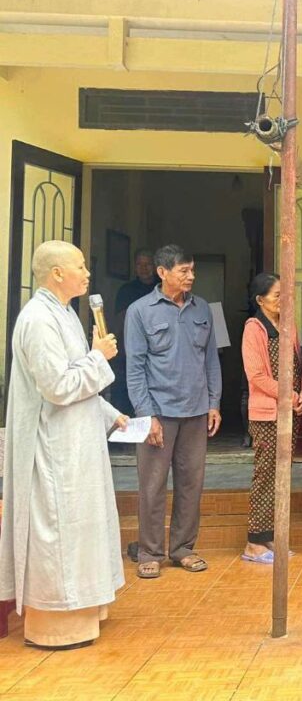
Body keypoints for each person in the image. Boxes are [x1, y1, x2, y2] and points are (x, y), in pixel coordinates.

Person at [0, 241, 128, 649]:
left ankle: (86, 611)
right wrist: (99, 356)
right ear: (57, 273)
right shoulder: (38, 319)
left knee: (81, 529)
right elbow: (56, 387)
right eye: (80, 266)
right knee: (59, 532)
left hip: (77, 445)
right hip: (53, 450)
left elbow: (76, 378)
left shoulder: (67, 314)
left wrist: (111, 415)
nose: (87, 273)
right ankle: (56, 625)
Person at [125, 244, 223, 579]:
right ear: (162, 272)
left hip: (196, 412)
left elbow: (212, 359)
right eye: (184, 270)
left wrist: (214, 402)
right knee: (152, 486)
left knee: (191, 484)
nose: (191, 276)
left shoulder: (204, 308)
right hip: (158, 413)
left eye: (192, 270)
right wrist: (146, 415)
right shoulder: (139, 311)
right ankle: (150, 552)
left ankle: (183, 548)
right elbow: (135, 368)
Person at [240, 273, 302, 564]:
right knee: (266, 475)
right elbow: (256, 376)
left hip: (289, 410)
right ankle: (253, 543)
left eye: (285, 294)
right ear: (260, 300)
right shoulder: (254, 328)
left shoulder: (288, 324)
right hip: (267, 415)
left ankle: (269, 536)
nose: (283, 299)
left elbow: (300, 363)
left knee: (282, 475)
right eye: (277, 295)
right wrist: (289, 395)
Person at [110, 249, 156, 413]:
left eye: (148, 264)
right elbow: (119, 323)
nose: (144, 268)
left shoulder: (162, 288)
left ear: (155, 266)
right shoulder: (126, 290)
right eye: (139, 264)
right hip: (129, 352)